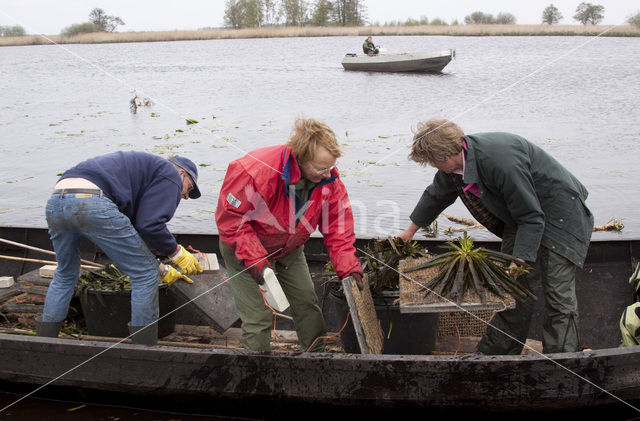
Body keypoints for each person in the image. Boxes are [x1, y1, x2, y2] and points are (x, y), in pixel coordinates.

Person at [397, 118, 594, 355]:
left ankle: (563, 358)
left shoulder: (499, 162)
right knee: (512, 289)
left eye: (432, 162)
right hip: (521, 217)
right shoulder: (456, 166)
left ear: (445, 156)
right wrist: (409, 232)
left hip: (560, 215)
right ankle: (498, 353)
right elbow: (436, 195)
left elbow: (532, 216)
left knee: (557, 294)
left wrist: (519, 259)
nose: (433, 166)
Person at [215, 117, 363, 352]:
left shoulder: (329, 180)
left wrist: (348, 267)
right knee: (258, 316)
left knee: (307, 303)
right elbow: (232, 221)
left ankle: (316, 359)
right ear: (301, 158)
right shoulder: (255, 170)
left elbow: (338, 227)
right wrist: (257, 261)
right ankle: (257, 366)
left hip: (289, 249)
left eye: (331, 168)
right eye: (321, 168)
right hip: (242, 250)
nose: (328, 175)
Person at [37, 151, 204, 345]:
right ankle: (145, 348)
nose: (185, 196)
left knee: (66, 273)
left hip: (57, 201)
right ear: (181, 172)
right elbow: (151, 226)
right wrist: (177, 253)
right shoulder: (171, 173)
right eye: (189, 188)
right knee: (145, 276)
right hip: (93, 201)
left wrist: (162, 268)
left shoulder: (140, 175)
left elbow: (128, 241)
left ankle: (43, 342)